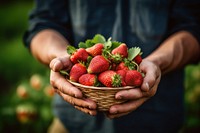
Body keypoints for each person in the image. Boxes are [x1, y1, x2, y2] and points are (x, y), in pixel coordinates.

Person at [23, 0, 200, 133]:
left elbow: (192, 27)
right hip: (73, 123)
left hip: (158, 120)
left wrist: (157, 62)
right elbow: (43, 23)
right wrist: (59, 59)